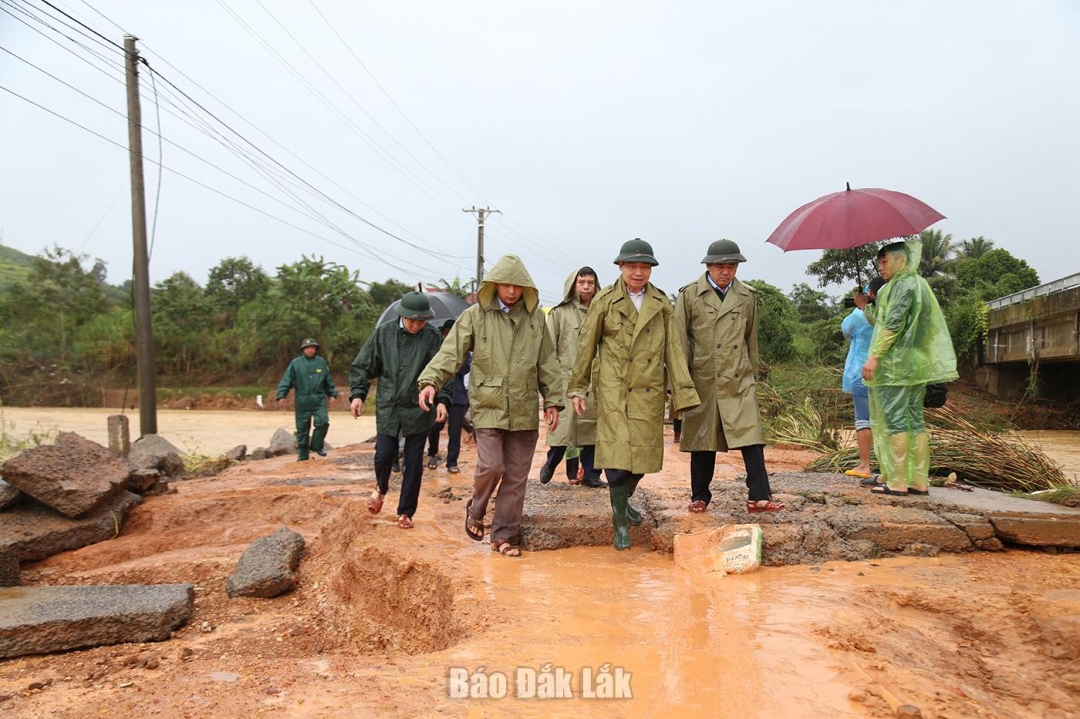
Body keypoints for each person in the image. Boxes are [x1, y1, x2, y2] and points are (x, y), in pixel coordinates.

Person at [417, 255, 564, 558]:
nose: (511, 291)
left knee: (516, 476)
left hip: (523, 405)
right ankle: (476, 508)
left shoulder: (536, 319)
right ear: (494, 285)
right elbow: (451, 352)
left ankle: (504, 536)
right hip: (488, 403)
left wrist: (553, 400)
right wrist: (431, 380)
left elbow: (547, 361)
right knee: (492, 466)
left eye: (517, 286)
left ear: (526, 287)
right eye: (506, 285)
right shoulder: (475, 315)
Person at [569, 238, 700, 550]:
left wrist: (682, 393)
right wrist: (577, 387)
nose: (638, 272)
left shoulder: (661, 303)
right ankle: (620, 525)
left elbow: (674, 350)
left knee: (641, 460)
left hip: (648, 390)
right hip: (613, 389)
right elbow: (587, 345)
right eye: (632, 266)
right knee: (615, 458)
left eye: (645, 267)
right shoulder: (604, 300)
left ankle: (622, 501)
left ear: (651, 270)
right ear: (620, 267)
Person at [673, 239, 784, 515]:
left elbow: (751, 340)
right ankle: (700, 495)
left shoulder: (747, 296)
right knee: (703, 438)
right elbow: (679, 341)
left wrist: (752, 375)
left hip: (738, 377)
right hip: (703, 377)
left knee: (751, 434)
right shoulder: (689, 295)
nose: (726, 271)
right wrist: (680, 382)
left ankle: (759, 495)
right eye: (720, 266)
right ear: (708, 266)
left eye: (732, 266)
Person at [862, 240, 958, 496]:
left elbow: (891, 325)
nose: (881, 267)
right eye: (879, 263)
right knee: (915, 419)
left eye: (885, 262)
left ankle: (896, 481)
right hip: (917, 363)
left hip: (895, 365)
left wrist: (875, 357)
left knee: (893, 420)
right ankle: (918, 480)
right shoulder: (920, 284)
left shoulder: (900, 286)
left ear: (901, 259)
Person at [349, 292, 450, 529]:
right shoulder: (383, 334)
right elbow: (362, 366)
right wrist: (358, 394)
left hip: (420, 408)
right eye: (411, 320)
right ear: (402, 316)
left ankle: (405, 512)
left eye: (421, 321)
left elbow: (444, 370)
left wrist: (443, 400)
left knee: (413, 463)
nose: (416, 325)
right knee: (384, 454)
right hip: (389, 405)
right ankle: (381, 487)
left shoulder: (432, 337)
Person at [539, 266, 606, 489]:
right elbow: (548, 349)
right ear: (573, 285)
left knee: (593, 428)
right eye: (581, 282)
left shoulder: (602, 311)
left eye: (590, 283)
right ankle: (551, 462)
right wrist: (551, 382)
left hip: (594, 380)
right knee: (564, 427)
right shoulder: (559, 313)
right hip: (565, 379)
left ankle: (592, 474)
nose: (586, 287)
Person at [842, 277, 886, 481]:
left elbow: (846, 330)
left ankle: (864, 464)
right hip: (884, 374)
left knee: (863, 420)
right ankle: (888, 467)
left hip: (861, 373)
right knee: (885, 420)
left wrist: (859, 307)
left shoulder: (860, 315)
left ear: (870, 294)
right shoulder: (888, 313)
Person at [276, 337, 337, 461]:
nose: (310, 350)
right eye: (307, 348)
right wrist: (282, 395)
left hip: (319, 399)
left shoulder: (321, 362)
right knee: (302, 429)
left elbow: (328, 380)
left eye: (312, 348)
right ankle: (303, 455)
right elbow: (287, 380)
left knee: (323, 422)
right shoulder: (296, 363)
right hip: (302, 401)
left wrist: (332, 394)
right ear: (303, 350)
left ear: (315, 349)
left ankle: (317, 445)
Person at [426, 319, 456, 469]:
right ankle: (430, 454)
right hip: (427, 389)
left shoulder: (457, 347)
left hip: (446, 392)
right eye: (446, 333)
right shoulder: (432, 344)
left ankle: (434, 452)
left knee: (436, 425)